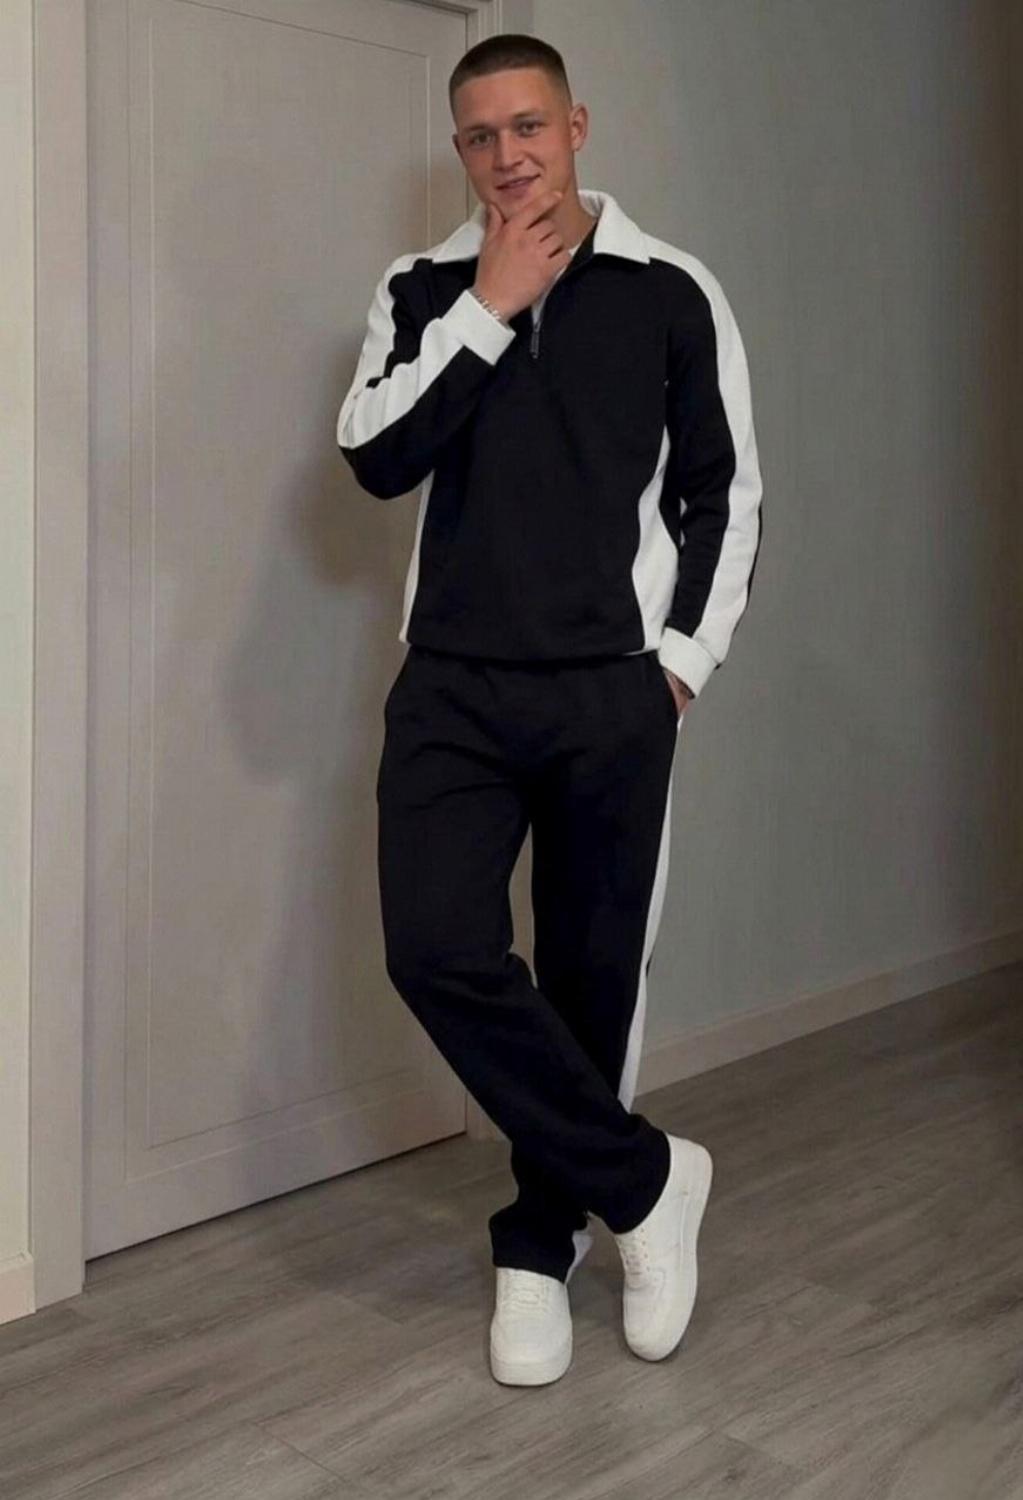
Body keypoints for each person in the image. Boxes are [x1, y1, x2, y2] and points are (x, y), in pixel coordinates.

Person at [337, 33, 763, 1387]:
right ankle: (646, 1181)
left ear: (575, 125)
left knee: (590, 977)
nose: (507, 154)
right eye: (480, 135)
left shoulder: (670, 289)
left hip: (608, 690)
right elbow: (375, 456)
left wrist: (681, 664)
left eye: (528, 125)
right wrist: (489, 306)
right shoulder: (419, 289)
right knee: (436, 949)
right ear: (459, 149)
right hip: (453, 686)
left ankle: (539, 1240)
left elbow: (725, 490)